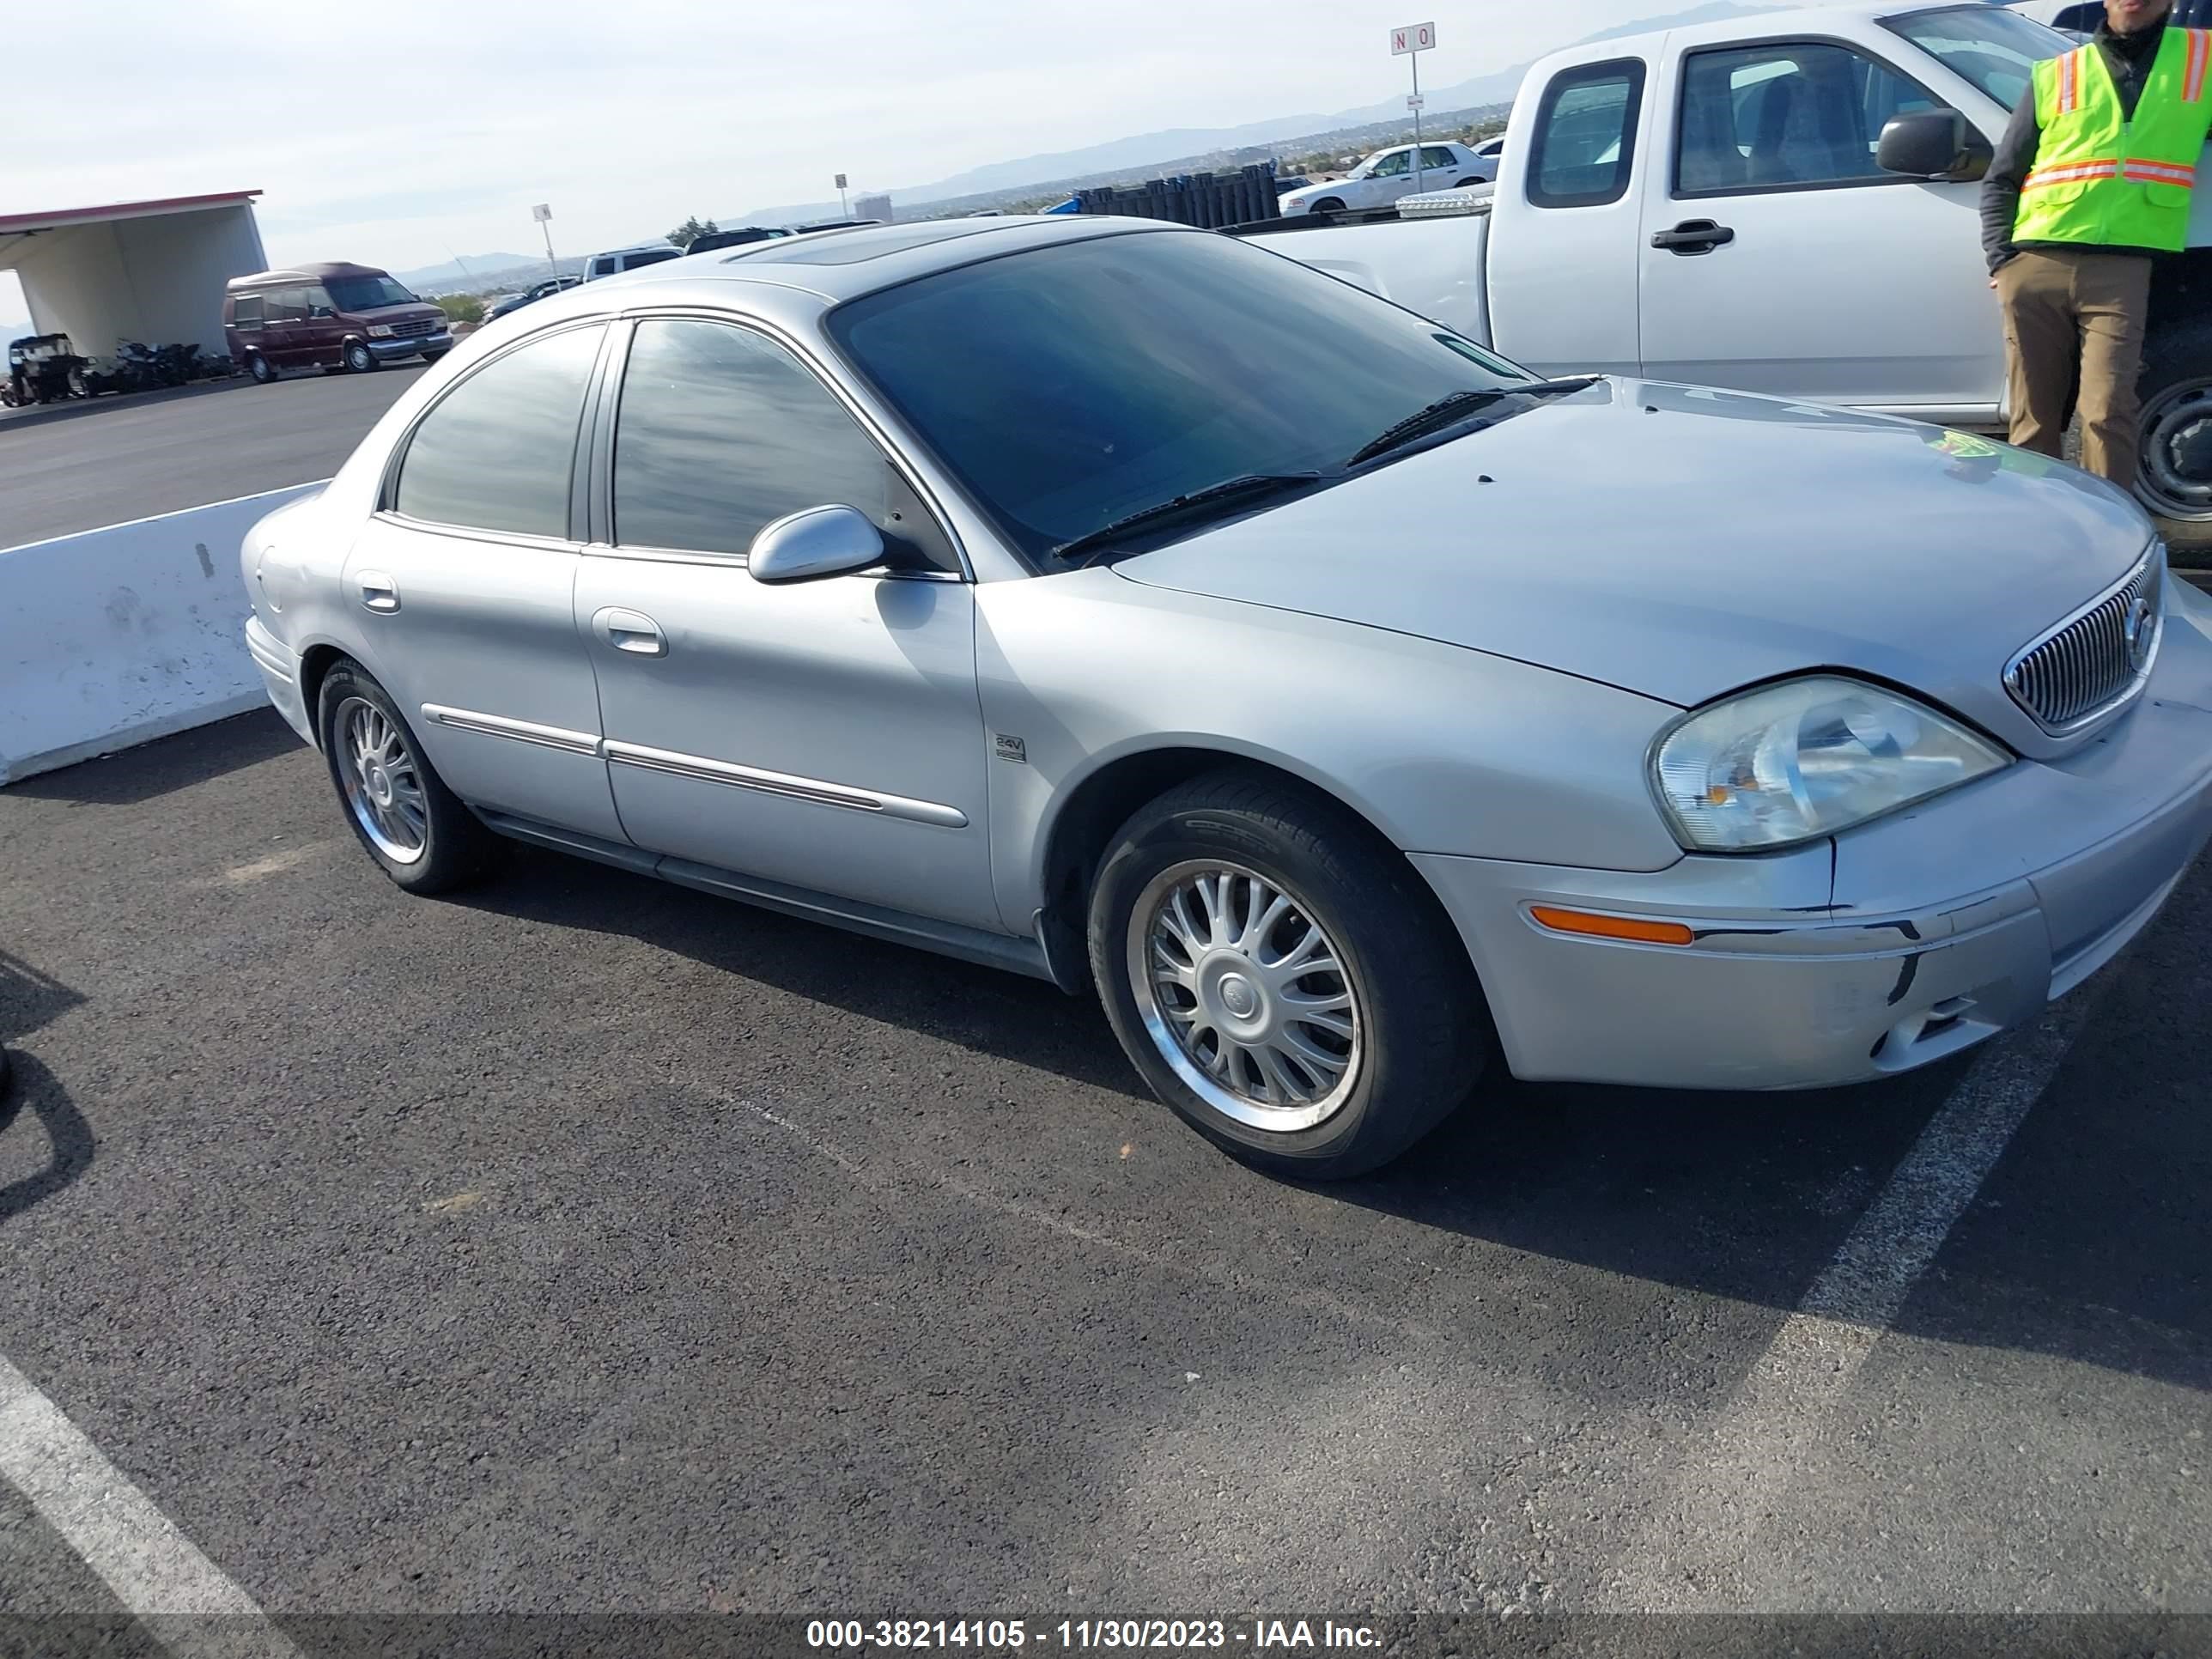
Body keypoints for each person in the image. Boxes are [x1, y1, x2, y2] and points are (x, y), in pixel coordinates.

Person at [1980, 0, 2212, 487]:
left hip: (2121, 268)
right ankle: (2036, 532)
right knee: (2033, 422)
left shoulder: (2202, 59)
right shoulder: (2057, 71)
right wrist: (2003, 260)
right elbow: (2002, 176)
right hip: (2035, 261)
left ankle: (2111, 536)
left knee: (2107, 412)